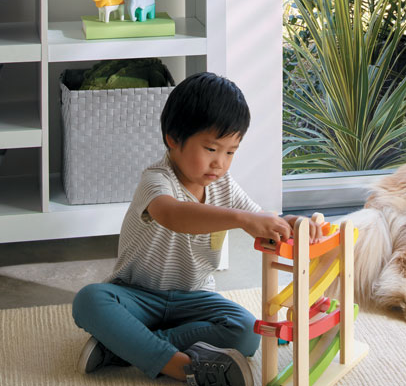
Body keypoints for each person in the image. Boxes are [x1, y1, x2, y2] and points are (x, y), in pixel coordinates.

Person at [72, 72, 323, 386]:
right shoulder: (156, 180)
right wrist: (241, 219)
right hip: (138, 296)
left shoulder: (225, 186)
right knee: (89, 300)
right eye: (211, 149)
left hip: (194, 299)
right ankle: (181, 367)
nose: (220, 163)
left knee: (247, 330)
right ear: (173, 139)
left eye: (231, 152)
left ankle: (122, 347)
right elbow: (174, 215)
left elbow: (263, 221)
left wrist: (296, 224)